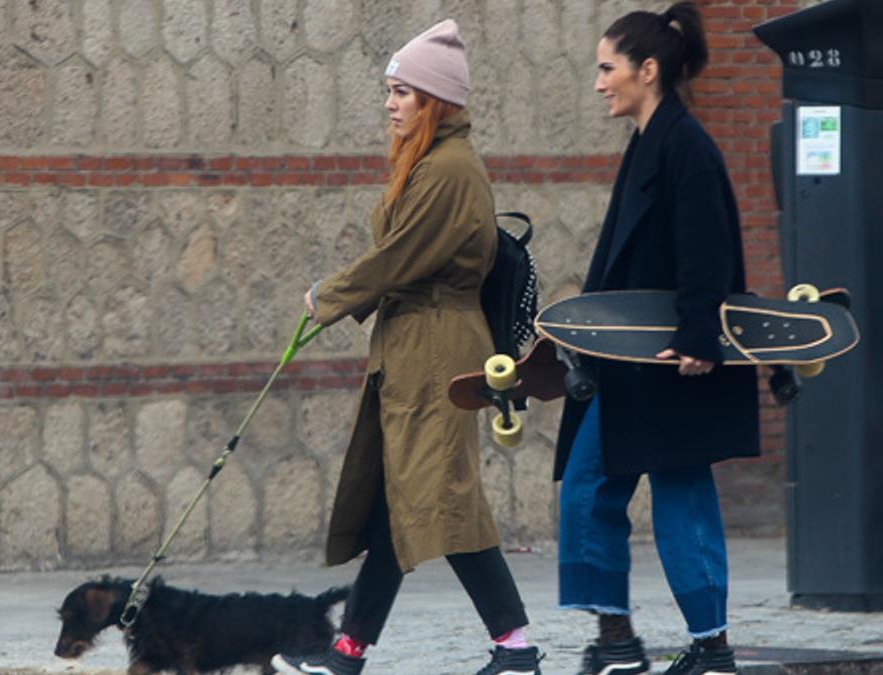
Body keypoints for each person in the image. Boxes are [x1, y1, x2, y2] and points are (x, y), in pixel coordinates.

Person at [270, 19, 542, 675]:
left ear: (435, 100)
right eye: (390, 90)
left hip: (438, 352)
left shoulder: (449, 170)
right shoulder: (432, 163)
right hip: (415, 345)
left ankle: (517, 647)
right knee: (404, 499)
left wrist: (329, 297)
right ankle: (349, 650)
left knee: (443, 500)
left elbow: (397, 257)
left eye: (402, 91)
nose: (390, 103)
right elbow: (400, 261)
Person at [555, 3, 760, 675]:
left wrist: (701, 339)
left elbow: (707, 251)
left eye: (606, 68)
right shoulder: (651, 141)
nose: (598, 83)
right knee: (589, 487)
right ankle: (617, 638)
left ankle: (712, 646)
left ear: (648, 70)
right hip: (630, 361)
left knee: (680, 493)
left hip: (676, 360)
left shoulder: (686, 145)